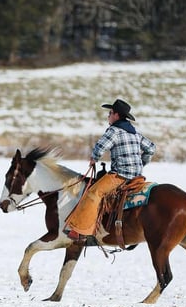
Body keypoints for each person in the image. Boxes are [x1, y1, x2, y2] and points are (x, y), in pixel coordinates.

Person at [64, 98, 156, 242]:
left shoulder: (114, 130)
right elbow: (151, 148)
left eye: (110, 113)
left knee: (94, 192)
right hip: (137, 176)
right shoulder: (134, 133)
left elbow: (100, 146)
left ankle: (79, 231)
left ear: (116, 115)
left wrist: (94, 158)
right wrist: (142, 162)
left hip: (120, 175)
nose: (108, 116)